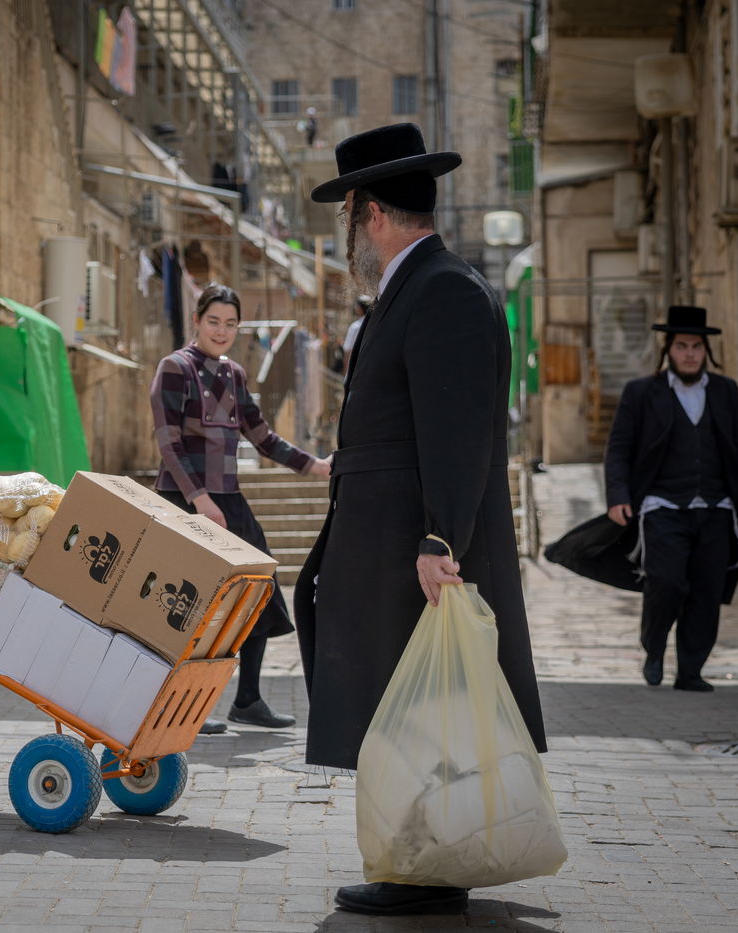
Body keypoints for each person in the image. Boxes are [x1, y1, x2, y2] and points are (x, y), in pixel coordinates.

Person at [294, 123, 547, 916]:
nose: (347, 238)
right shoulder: (414, 288)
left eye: (348, 219)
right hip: (385, 540)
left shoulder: (442, 289)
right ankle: (416, 860)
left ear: (369, 211)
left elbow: (462, 427)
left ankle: (428, 870)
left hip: (415, 547)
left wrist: (441, 539)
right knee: (396, 707)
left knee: (420, 712)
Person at [150, 284, 332, 732]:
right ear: (197, 320)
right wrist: (199, 500)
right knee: (184, 604)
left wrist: (316, 467)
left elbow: (263, 437)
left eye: (231, 324)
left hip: (229, 498)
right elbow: (168, 444)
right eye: (214, 321)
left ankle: (247, 699)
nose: (222, 331)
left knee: (259, 591)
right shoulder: (175, 368)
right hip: (183, 498)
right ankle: (173, 708)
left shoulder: (234, 375)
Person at [602, 306, 738, 692]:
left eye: (696, 346)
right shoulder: (641, 393)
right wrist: (618, 495)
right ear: (668, 350)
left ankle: (691, 671)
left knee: (707, 591)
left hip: (716, 508)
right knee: (667, 581)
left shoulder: (726, 392)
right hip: (662, 507)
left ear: (706, 351)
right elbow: (619, 447)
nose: (689, 353)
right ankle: (654, 647)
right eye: (681, 346)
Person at [340, 294, 373, 373]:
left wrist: (346, 373)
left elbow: (347, 350)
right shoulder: (374, 324)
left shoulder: (355, 327)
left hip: (357, 368)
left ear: (359, 308)